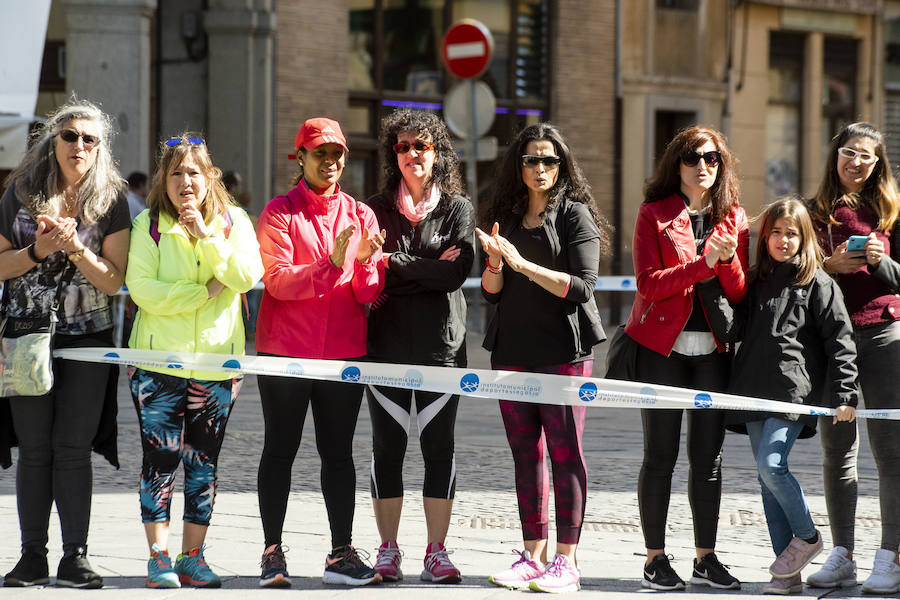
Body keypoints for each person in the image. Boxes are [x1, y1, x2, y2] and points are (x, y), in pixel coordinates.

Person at [698, 197, 859, 595]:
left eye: (792, 233)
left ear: (804, 238)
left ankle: (806, 536)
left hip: (792, 392)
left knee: (772, 466)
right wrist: (707, 283)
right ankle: (785, 576)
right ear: (765, 237)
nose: (783, 240)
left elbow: (841, 342)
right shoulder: (754, 282)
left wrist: (844, 394)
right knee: (765, 478)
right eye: (776, 232)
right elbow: (733, 330)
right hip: (752, 390)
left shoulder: (819, 283)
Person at [0, 100, 130, 588]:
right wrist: (39, 250)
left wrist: (74, 248)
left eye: (89, 139)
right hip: (25, 336)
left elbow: (114, 282)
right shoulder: (21, 192)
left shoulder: (112, 199)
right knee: (34, 450)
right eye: (70, 136)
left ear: (101, 148)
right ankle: (32, 555)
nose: (79, 145)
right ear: (52, 142)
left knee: (71, 449)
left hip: (87, 340)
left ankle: (75, 555)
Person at [476, 123, 610, 594]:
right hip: (512, 351)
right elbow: (492, 293)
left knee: (564, 453)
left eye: (549, 160)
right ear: (519, 166)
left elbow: (581, 288)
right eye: (531, 160)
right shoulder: (507, 218)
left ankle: (565, 562)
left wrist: (522, 265)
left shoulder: (575, 216)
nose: (539, 168)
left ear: (562, 166)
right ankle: (532, 556)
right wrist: (495, 263)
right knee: (525, 455)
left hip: (563, 354)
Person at [125, 134, 263, 588]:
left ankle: (192, 556)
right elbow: (143, 290)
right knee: (160, 459)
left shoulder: (234, 221)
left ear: (210, 178)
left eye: (194, 172)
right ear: (164, 179)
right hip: (158, 364)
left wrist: (207, 239)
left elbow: (245, 276)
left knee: (203, 463)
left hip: (215, 366)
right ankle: (158, 556)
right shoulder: (148, 224)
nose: (186, 181)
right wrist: (202, 292)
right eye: (176, 172)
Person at [255, 117, 386, 588]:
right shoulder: (278, 212)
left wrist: (368, 261)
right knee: (280, 450)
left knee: (339, 453)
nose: (330, 162)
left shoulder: (360, 214)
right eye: (319, 154)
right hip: (286, 353)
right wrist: (329, 265)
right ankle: (272, 552)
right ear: (301, 158)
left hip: (342, 354)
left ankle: (341, 553)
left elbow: (368, 294)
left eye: (336, 154)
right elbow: (277, 280)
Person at [625, 125, 749, 591]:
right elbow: (648, 284)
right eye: (694, 157)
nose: (704, 166)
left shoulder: (732, 217)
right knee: (660, 455)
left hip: (712, 352)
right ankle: (655, 559)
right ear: (675, 165)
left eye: (713, 158)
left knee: (709, 459)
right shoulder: (653, 214)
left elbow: (738, 292)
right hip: (663, 351)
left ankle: (706, 558)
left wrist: (727, 256)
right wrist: (703, 264)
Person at [364, 109, 474, 584]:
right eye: (404, 147)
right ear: (395, 154)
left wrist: (396, 262)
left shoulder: (458, 209)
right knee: (387, 450)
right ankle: (388, 549)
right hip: (385, 347)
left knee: (439, 450)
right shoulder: (374, 208)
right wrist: (424, 267)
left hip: (441, 349)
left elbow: (456, 273)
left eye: (422, 146)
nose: (412, 154)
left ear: (437, 153)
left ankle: (436, 551)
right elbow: (369, 272)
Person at [805, 122, 900, 594]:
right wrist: (827, 266)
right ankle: (842, 553)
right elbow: (792, 275)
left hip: (883, 332)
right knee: (837, 452)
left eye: (866, 156)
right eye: (848, 152)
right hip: (831, 341)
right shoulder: (811, 211)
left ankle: (890, 556)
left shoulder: (892, 212)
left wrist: (880, 261)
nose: (856, 162)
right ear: (835, 155)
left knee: (891, 452)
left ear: (878, 163)